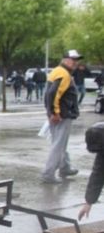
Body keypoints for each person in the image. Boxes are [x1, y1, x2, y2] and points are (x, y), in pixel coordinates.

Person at [40, 50, 82, 184]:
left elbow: (49, 93)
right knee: (58, 144)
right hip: (62, 115)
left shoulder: (58, 71)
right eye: (72, 59)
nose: (75, 62)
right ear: (65, 60)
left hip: (59, 114)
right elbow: (53, 93)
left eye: (77, 59)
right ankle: (48, 173)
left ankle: (65, 167)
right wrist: (55, 112)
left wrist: (51, 112)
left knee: (60, 143)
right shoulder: (63, 74)